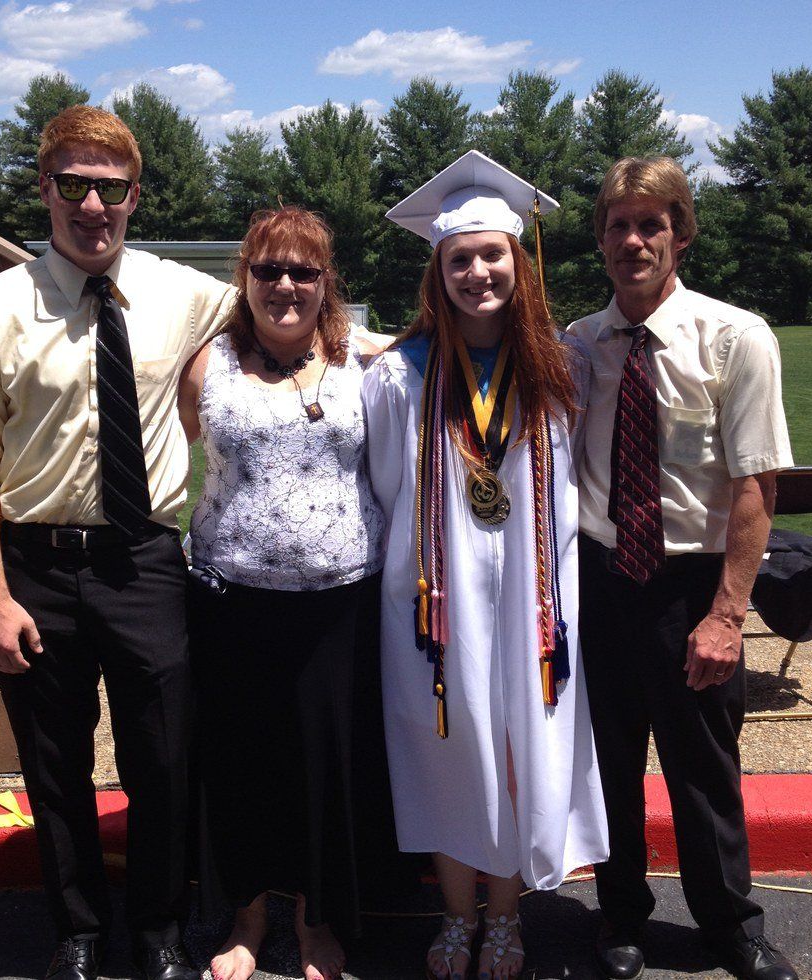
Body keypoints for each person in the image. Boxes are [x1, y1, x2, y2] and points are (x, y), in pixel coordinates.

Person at [0, 105, 236, 980]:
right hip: (34, 565)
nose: (92, 206)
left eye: (110, 188)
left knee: (165, 757)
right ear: (45, 189)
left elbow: (291, 312)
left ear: (135, 196)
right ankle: (76, 929)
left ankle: (158, 928)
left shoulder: (184, 294)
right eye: (73, 185)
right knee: (55, 764)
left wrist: (417, 352)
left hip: (145, 563)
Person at [362, 151, 609, 980]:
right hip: (437, 605)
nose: (478, 273)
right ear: (437, 274)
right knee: (451, 751)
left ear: (518, 262)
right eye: (459, 259)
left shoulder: (561, 369)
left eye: (492, 254)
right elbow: (390, 492)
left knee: (517, 750)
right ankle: (456, 915)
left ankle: (505, 918)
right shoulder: (398, 378)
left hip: (534, 605)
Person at [567, 156, 797, 980]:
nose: (633, 241)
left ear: (681, 234)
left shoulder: (735, 338)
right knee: (608, 768)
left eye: (651, 225)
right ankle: (620, 915)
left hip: (691, 587)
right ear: (600, 241)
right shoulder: (576, 344)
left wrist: (727, 614)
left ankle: (730, 926)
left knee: (703, 773)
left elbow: (756, 485)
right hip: (600, 581)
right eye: (618, 226)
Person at [179, 205, 401, 980]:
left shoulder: (365, 360)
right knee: (242, 765)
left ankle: (315, 920)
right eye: (268, 269)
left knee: (325, 769)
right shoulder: (206, 365)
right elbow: (165, 456)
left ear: (325, 281)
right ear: (244, 276)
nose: (284, 285)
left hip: (341, 603)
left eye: (303, 271)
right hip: (231, 600)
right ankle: (245, 920)